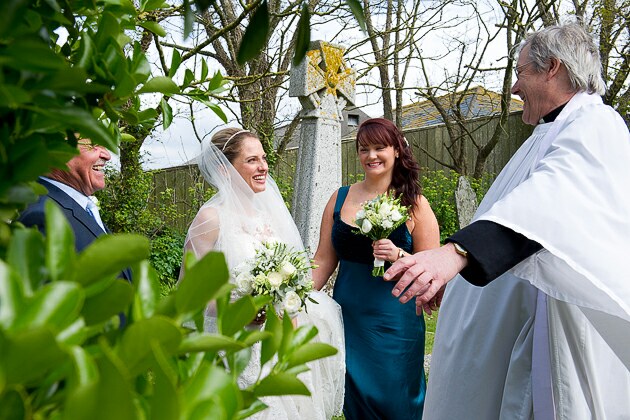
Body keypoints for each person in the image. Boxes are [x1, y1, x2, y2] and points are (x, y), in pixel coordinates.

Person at [385, 23, 630, 419]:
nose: (515, 88)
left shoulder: (595, 125)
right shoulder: (544, 136)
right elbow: (507, 222)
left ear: (552, 67)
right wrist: (455, 277)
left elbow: (552, 202)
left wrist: (454, 254)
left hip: (556, 331)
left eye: (521, 73)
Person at [183, 128, 345, 420]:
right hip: (233, 343)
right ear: (224, 168)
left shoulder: (269, 215)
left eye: (264, 158)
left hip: (276, 340)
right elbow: (189, 294)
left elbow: (291, 275)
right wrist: (242, 309)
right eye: (251, 160)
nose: (263, 167)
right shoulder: (210, 219)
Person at [311, 118, 440, 419]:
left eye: (380, 147)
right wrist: (292, 297)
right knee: (354, 398)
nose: (371, 156)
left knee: (396, 399)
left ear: (397, 150)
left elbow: (433, 269)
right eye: (363, 149)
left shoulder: (415, 204)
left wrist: (398, 255)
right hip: (349, 315)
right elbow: (323, 260)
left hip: (396, 317)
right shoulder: (340, 198)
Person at [19, 136, 131, 282]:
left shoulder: (77, 205)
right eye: (92, 145)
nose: (107, 155)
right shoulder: (42, 216)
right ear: (56, 151)